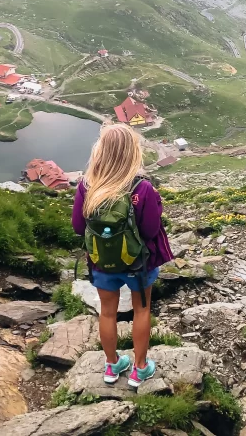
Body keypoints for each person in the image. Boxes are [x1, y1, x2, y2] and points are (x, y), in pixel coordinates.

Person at [72, 124, 174, 388]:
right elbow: (151, 230)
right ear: (132, 153)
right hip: (138, 264)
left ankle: (111, 365)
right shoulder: (142, 189)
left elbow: (78, 227)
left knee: (107, 313)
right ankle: (139, 369)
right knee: (141, 310)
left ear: (101, 151)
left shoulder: (87, 186)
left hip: (101, 263)